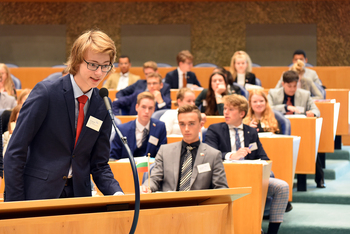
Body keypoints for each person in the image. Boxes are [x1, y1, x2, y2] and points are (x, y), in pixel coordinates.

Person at [4, 29, 123, 201]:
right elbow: (15, 151)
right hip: (37, 194)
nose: (99, 72)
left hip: (78, 196)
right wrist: (15, 202)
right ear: (76, 61)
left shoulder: (102, 105)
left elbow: (99, 164)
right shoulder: (46, 93)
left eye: (105, 65)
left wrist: (116, 192)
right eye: (93, 64)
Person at [205, 94, 289, 234]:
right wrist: (232, 155)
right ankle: (253, 226)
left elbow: (264, 157)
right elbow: (209, 155)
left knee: (282, 187)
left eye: (231, 109)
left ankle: (272, 232)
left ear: (242, 113)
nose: (225, 112)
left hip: (251, 177)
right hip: (225, 178)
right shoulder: (215, 130)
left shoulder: (251, 132)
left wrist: (256, 165)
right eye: (225, 108)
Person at [140, 105, 228, 193]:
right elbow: (154, 178)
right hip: (169, 203)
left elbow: (221, 188)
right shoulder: (165, 151)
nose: (186, 129)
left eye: (191, 124)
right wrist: (147, 187)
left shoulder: (213, 155)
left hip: (198, 204)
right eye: (182, 124)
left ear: (201, 125)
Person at [110, 91, 167, 160]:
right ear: (137, 107)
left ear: (154, 109)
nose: (146, 111)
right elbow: (113, 157)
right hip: (127, 168)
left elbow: (162, 156)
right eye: (143, 107)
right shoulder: (122, 129)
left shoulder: (160, 127)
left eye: (150, 108)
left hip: (150, 168)